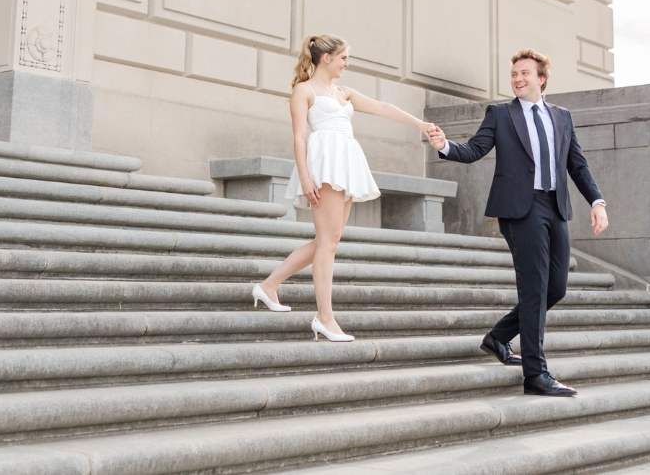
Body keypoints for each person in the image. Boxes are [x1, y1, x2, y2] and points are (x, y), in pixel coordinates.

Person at [428, 48, 608, 397]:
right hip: (520, 211)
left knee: (555, 288)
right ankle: (535, 374)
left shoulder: (562, 117)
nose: (517, 79)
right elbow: (475, 150)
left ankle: (497, 337)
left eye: (525, 73)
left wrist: (597, 202)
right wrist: (445, 145)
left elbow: (577, 165)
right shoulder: (500, 114)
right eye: (514, 74)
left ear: (541, 79)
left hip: (554, 206)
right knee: (534, 288)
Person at [253, 33, 436, 342]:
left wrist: (419, 125)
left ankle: (269, 285)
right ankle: (324, 317)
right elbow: (299, 136)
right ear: (327, 58)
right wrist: (306, 176)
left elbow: (381, 106)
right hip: (324, 163)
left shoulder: (344, 92)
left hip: (346, 162)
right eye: (343, 58)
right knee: (327, 243)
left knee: (329, 241)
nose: (345, 64)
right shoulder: (304, 90)